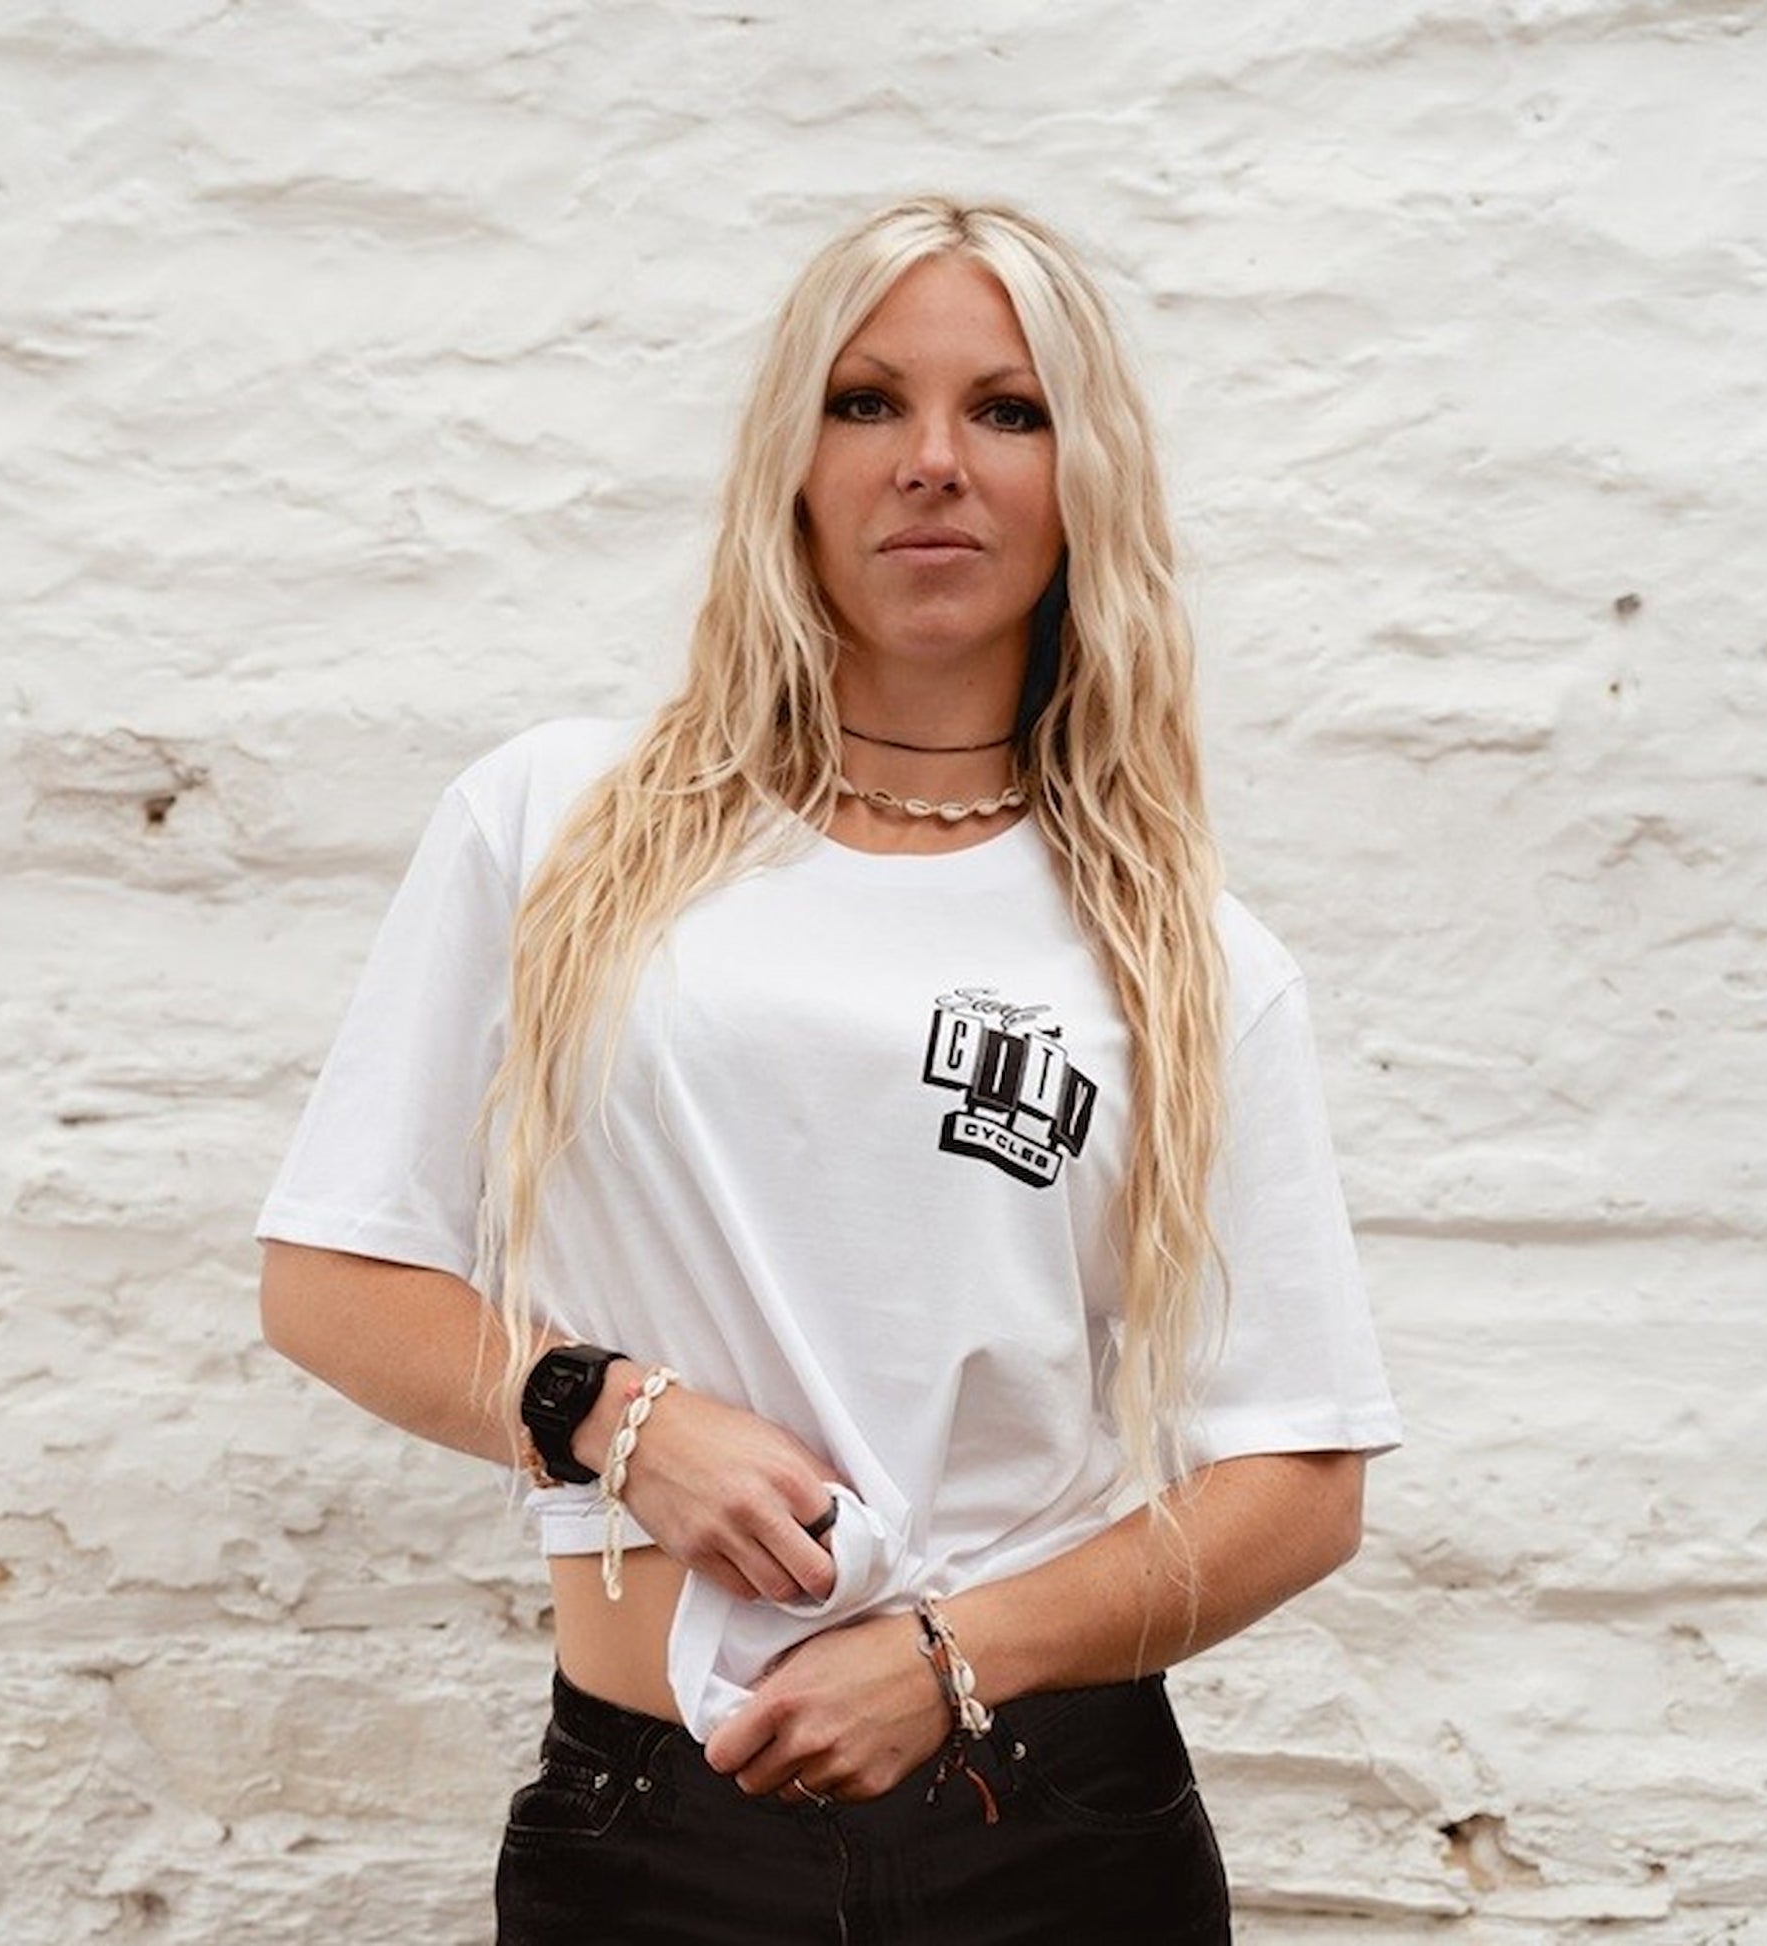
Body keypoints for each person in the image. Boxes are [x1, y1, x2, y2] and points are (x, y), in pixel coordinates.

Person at [256, 195, 1400, 1945]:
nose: (933, 460)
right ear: (787, 460)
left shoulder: (1181, 954)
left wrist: (949, 1660)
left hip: (1054, 1828)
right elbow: (331, 1277)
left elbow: (1297, 1478)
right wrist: (614, 1416)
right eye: (866, 402)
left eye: (1005, 409)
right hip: (650, 1832)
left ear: (1082, 477)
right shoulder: (562, 827)